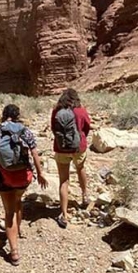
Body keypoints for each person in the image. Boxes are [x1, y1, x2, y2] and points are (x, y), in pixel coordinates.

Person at [0, 104, 48, 266]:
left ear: (4, 115)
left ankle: (14, 251)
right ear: (17, 115)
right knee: (18, 200)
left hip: (4, 176)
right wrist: (40, 174)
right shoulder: (25, 130)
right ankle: (18, 230)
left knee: (9, 211)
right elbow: (34, 153)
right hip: (23, 177)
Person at [50, 88, 92, 229]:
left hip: (61, 148)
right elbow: (87, 126)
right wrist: (81, 138)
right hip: (79, 147)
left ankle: (64, 214)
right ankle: (85, 196)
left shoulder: (56, 111)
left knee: (64, 180)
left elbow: (53, 129)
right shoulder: (81, 110)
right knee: (80, 168)